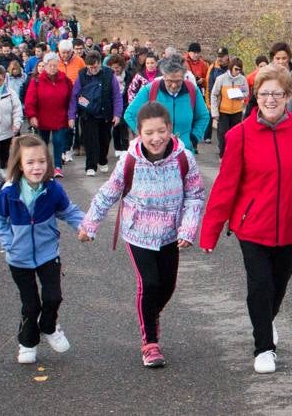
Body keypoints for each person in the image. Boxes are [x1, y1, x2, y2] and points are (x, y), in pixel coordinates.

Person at [200, 65, 292, 374]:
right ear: (254, 97)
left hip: (289, 222)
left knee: (281, 279)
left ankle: (265, 320)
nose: (270, 100)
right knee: (259, 284)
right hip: (251, 225)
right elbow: (225, 187)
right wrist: (210, 232)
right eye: (264, 93)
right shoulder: (239, 135)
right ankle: (263, 347)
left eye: (277, 93)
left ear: (287, 96)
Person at [79, 102, 206, 368]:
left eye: (161, 131)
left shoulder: (184, 158)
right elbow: (109, 192)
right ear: (138, 133)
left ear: (170, 129)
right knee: (149, 284)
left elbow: (195, 196)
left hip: (170, 233)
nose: (156, 138)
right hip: (138, 232)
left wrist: (188, 228)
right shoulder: (129, 159)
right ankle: (150, 343)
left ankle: (149, 315)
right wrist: (90, 224)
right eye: (149, 133)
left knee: (167, 286)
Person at [0, 134, 85, 365]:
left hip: (48, 254)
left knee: (53, 296)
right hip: (18, 258)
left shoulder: (53, 190)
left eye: (41, 161)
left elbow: (69, 211)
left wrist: (84, 226)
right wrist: (9, 242)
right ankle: (27, 343)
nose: (37, 167)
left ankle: (49, 327)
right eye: (30, 162)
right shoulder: (9, 192)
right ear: (20, 165)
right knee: (30, 304)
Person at [124, 54, 210, 154]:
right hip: (155, 153)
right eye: (169, 81)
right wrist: (145, 136)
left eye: (178, 81)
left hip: (184, 151)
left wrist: (193, 138)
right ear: (163, 76)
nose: (174, 85)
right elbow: (129, 114)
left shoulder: (192, 90)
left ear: (184, 76)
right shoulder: (149, 90)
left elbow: (203, 116)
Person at [68, 50, 123, 177]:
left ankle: (102, 160)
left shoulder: (109, 74)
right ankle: (90, 166)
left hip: (105, 113)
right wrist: (71, 116)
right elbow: (74, 96)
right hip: (88, 114)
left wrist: (117, 114)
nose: (92, 70)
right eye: (90, 67)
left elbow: (116, 96)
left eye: (95, 67)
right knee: (90, 141)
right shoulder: (81, 75)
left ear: (100, 63)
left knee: (105, 140)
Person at [24, 53, 73, 178]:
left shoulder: (65, 80)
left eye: (55, 65)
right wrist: (32, 116)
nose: (52, 68)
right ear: (45, 66)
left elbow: (71, 99)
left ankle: (57, 167)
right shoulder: (36, 81)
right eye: (50, 65)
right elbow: (30, 101)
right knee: (42, 144)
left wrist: (71, 116)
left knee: (58, 142)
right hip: (42, 119)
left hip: (60, 117)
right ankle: (44, 167)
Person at [210, 57, 249, 158]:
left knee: (235, 135)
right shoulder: (221, 79)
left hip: (237, 111)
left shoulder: (242, 79)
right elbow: (214, 95)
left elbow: (246, 93)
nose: (238, 72)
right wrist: (214, 113)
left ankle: (233, 156)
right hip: (223, 111)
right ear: (231, 68)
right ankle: (222, 155)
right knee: (223, 134)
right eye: (236, 69)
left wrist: (240, 95)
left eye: (240, 69)